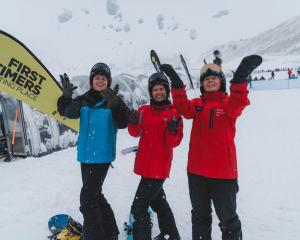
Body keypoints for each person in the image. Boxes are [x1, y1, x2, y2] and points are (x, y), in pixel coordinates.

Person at [160, 55, 262, 240]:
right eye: (206, 79)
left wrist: (240, 76)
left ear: (221, 82)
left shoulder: (228, 104)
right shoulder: (197, 105)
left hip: (223, 174)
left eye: (214, 78)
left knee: (228, 221)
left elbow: (239, 100)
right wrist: (175, 81)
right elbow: (182, 107)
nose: (210, 81)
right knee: (200, 218)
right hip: (197, 172)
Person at [57, 63, 129, 240]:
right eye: (97, 78)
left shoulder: (113, 100)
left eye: (103, 78)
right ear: (91, 81)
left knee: (88, 200)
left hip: (102, 157)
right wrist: (65, 97)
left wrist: (116, 105)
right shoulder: (84, 100)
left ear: (108, 82)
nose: (100, 81)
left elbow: (123, 123)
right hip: (86, 156)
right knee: (95, 195)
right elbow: (66, 112)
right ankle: (110, 231)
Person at [127, 72, 183, 240]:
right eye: (155, 89)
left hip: (159, 168)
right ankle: (171, 235)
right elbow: (135, 132)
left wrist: (173, 131)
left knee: (139, 207)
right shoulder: (144, 110)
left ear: (166, 91)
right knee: (158, 202)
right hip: (145, 166)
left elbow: (174, 143)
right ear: (151, 92)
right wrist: (133, 122)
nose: (158, 92)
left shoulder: (174, 113)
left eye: (161, 89)